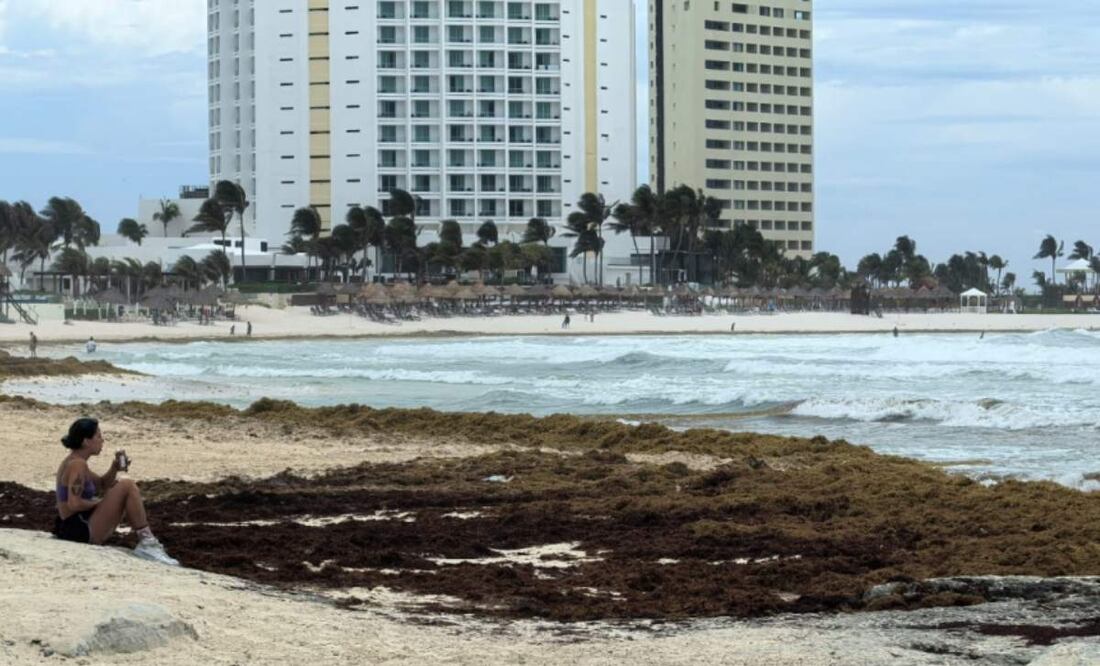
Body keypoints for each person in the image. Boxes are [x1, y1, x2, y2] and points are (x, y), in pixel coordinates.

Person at [53, 418, 178, 566]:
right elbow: (74, 504)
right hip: (77, 528)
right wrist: (100, 503)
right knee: (127, 485)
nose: (102, 440)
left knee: (122, 485)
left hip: (73, 526)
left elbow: (101, 484)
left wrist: (114, 468)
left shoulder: (75, 461)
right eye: (98, 436)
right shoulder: (77, 464)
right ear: (86, 441)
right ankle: (147, 542)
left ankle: (148, 542)